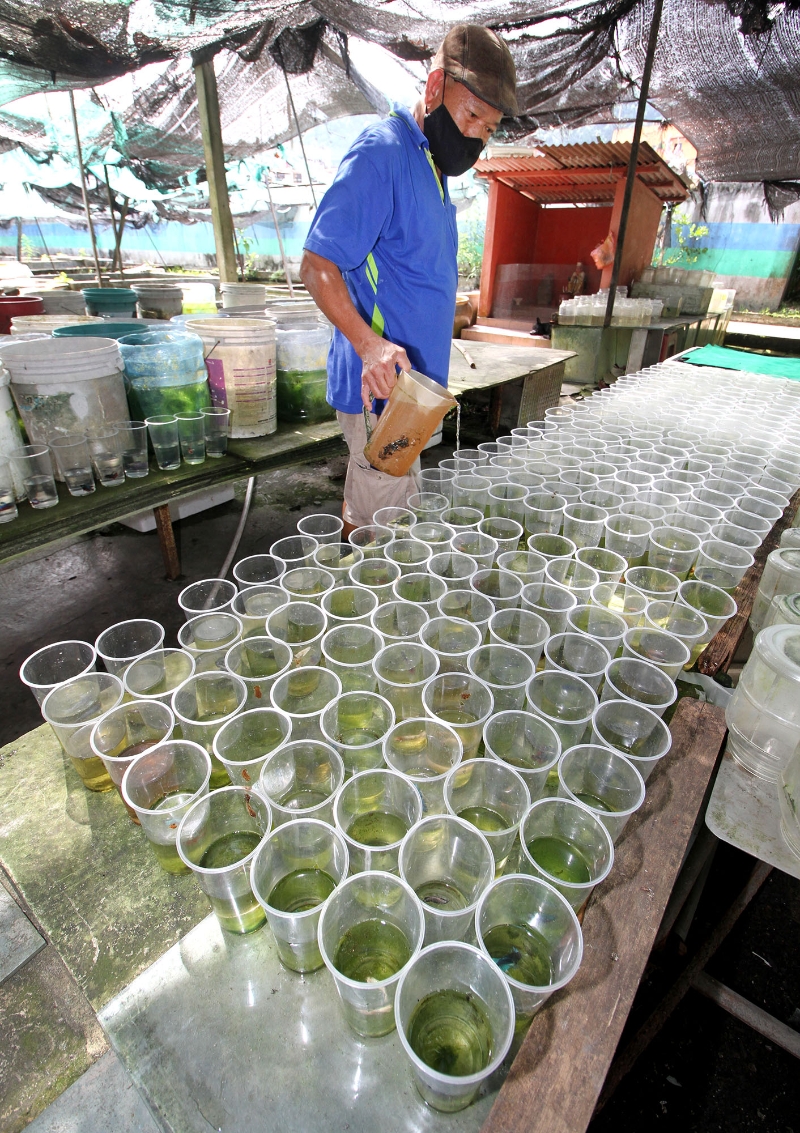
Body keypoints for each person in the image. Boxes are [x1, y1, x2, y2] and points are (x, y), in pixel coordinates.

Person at [300, 24, 518, 536]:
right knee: (379, 519)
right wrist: (370, 345)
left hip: (416, 392)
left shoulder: (434, 171)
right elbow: (317, 265)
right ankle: (357, 602)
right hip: (382, 390)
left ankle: (368, 591)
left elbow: (409, 266)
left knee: (391, 506)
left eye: (489, 130)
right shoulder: (383, 154)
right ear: (435, 87)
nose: (476, 138)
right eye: (471, 117)